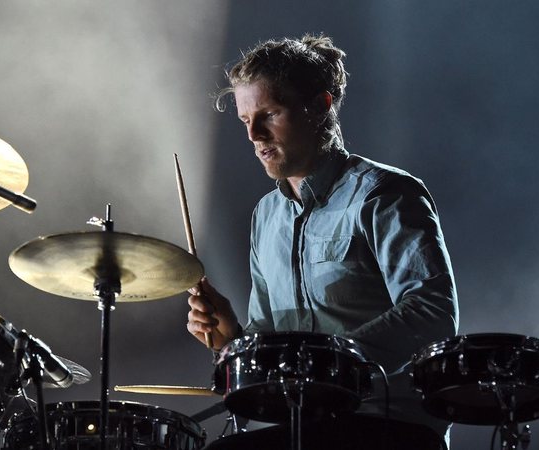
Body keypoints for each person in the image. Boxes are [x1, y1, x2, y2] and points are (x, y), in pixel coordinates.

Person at [186, 33, 459, 450]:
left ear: (319, 106)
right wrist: (233, 339)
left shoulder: (383, 193)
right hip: (307, 424)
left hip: (389, 423)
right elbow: (271, 336)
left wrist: (330, 364)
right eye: (245, 121)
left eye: (269, 114)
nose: (254, 136)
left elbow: (432, 310)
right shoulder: (266, 216)